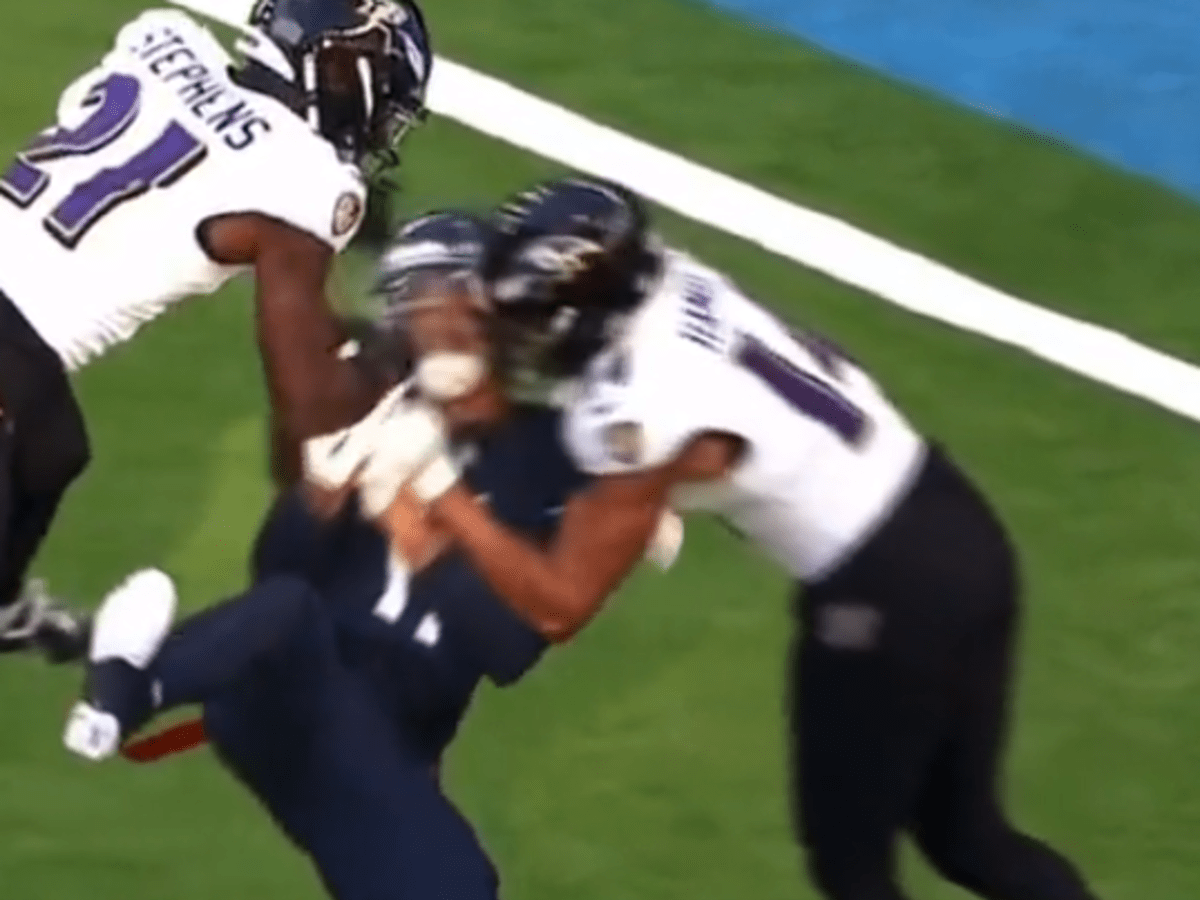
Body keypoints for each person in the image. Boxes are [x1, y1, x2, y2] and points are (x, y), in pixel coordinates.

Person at [356, 177, 1101, 900]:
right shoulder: (671, 283)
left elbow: (559, 604)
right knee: (969, 838)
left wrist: (440, 490)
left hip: (885, 599)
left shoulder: (636, 405)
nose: (515, 338)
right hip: (957, 525)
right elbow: (700, 449)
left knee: (852, 871)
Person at [62, 210, 681, 900]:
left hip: (388, 742)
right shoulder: (373, 416)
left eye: (455, 306)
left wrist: (427, 533)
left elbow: (510, 648)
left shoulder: (556, 454)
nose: (439, 329)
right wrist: (315, 499)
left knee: (456, 884)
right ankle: (126, 691)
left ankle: (130, 674)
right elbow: (277, 578)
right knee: (291, 612)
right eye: (421, 309)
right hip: (291, 694)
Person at [0, 0, 431, 661]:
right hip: (12, 358)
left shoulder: (162, 38)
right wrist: (399, 355)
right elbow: (310, 404)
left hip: (19, 348)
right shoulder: (308, 184)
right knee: (34, 431)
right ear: (340, 63)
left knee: (54, 449)